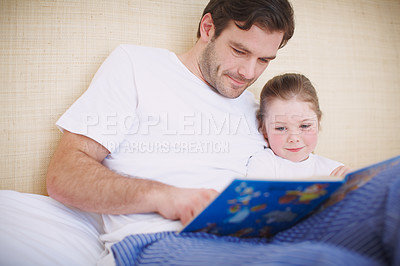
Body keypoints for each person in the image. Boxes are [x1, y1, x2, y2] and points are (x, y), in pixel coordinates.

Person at [45, 0, 295, 262]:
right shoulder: (137, 66)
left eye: (264, 60)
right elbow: (63, 174)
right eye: (239, 51)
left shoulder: (258, 110)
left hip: (250, 242)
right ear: (208, 28)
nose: (249, 72)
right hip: (161, 243)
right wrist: (166, 196)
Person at [247, 73, 350, 179]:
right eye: (281, 128)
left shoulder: (334, 171)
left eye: (305, 126)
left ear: (318, 123)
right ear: (264, 129)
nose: (294, 138)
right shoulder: (264, 163)